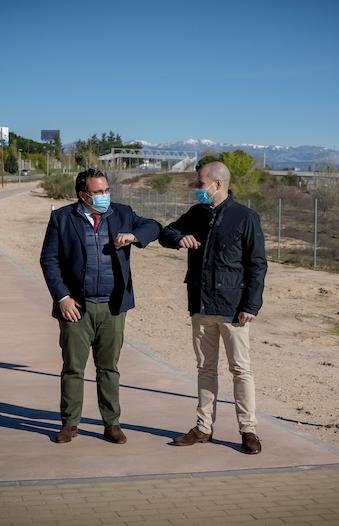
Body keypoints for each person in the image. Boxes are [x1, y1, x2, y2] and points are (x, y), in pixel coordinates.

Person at [41, 168, 161, 444]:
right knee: (73, 368)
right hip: (76, 307)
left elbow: (153, 226)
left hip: (113, 306)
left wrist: (134, 237)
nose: (105, 196)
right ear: (83, 195)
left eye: (106, 190)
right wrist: (62, 297)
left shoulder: (122, 214)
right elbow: (49, 261)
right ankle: (70, 423)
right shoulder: (62, 218)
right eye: (98, 192)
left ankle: (112, 423)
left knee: (109, 367)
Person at [159, 161, 267, 455]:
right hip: (202, 304)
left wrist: (251, 305)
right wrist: (179, 238)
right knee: (205, 368)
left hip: (234, 309)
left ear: (218, 184)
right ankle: (203, 427)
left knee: (241, 370)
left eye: (200, 184)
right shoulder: (197, 214)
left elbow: (257, 265)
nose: (197, 189)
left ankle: (248, 430)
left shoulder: (245, 217)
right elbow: (165, 233)